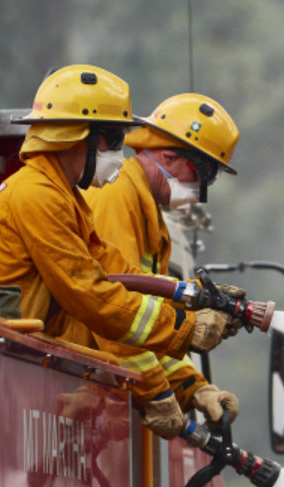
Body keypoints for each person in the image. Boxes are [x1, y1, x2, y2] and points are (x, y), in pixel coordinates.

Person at [0, 65, 233, 438]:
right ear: (75, 137)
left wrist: (195, 306)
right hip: (1, 377)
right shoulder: (38, 195)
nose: (120, 154)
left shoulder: (62, 196)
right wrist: (183, 331)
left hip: (17, 372)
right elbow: (90, 293)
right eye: (113, 141)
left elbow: (116, 271)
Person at [84, 93, 243, 426]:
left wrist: (194, 388)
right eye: (203, 173)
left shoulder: (146, 212)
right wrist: (157, 393)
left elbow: (147, 325)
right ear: (169, 156)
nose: (200, 190)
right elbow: (114, 313)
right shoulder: (117, 196)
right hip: (80, 383)